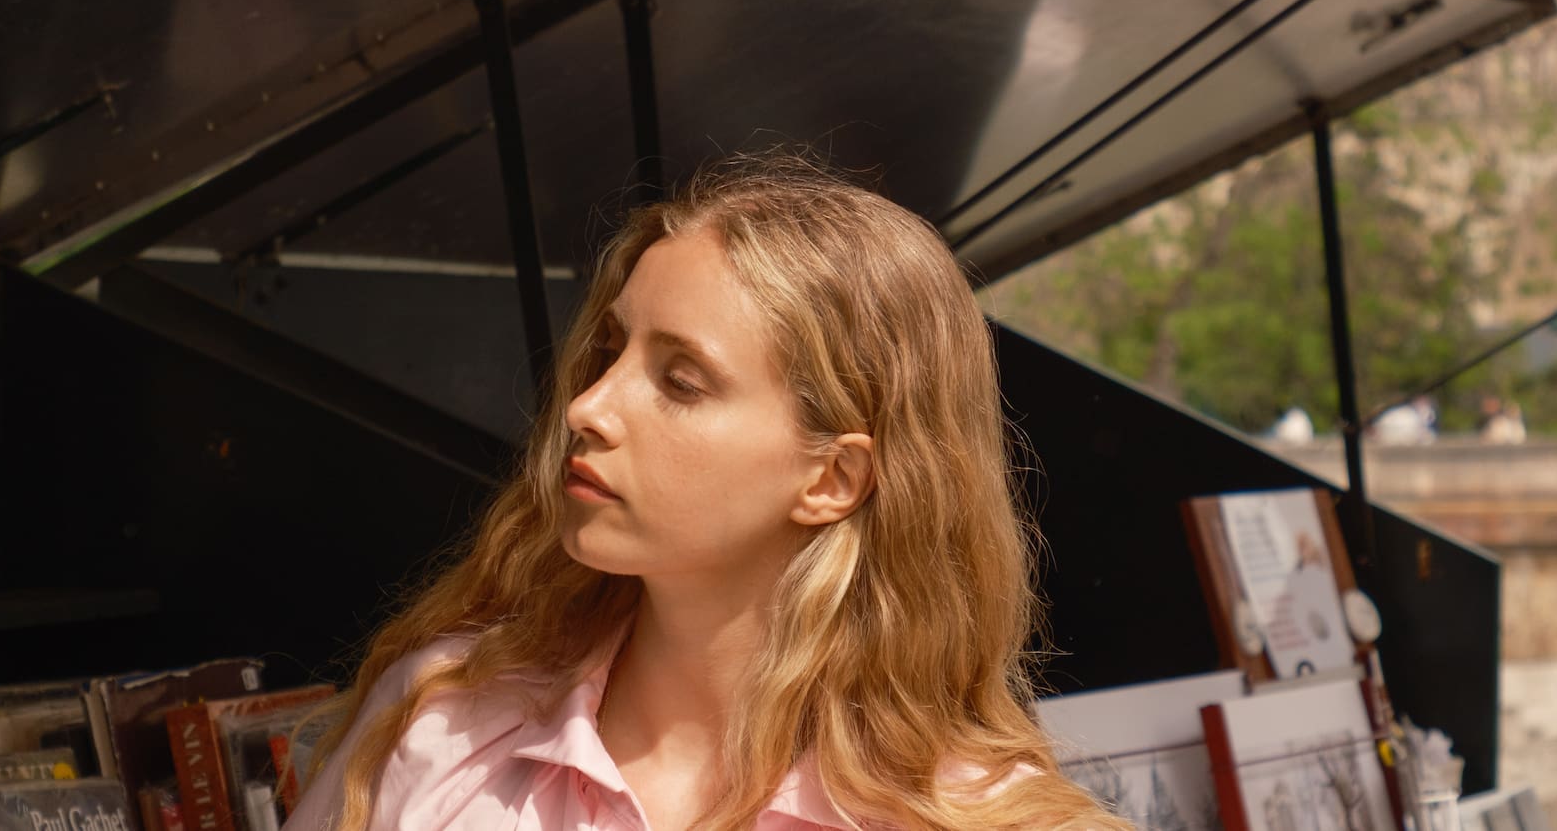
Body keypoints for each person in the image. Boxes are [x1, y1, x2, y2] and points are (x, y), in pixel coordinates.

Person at [285, 153, 1132, 831]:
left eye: (682, 381)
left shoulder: (984, 820)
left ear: (832, 478)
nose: (589, 404)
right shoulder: (445, 721)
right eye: (610, 350)